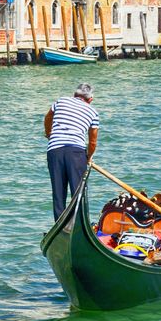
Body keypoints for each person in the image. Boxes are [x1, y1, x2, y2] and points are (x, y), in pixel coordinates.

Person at [44, 82, 100, 219]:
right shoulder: (93, 112)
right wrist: (88, 157)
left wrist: (49, 134)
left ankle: (60, 226)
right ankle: (79, 224)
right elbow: (92, 142)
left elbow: (47, 118)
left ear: (74, 94)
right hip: (76, 152)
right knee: (78, 193)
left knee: (58, 193)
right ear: (90, 100)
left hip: (54, 150)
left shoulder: (61, 101)